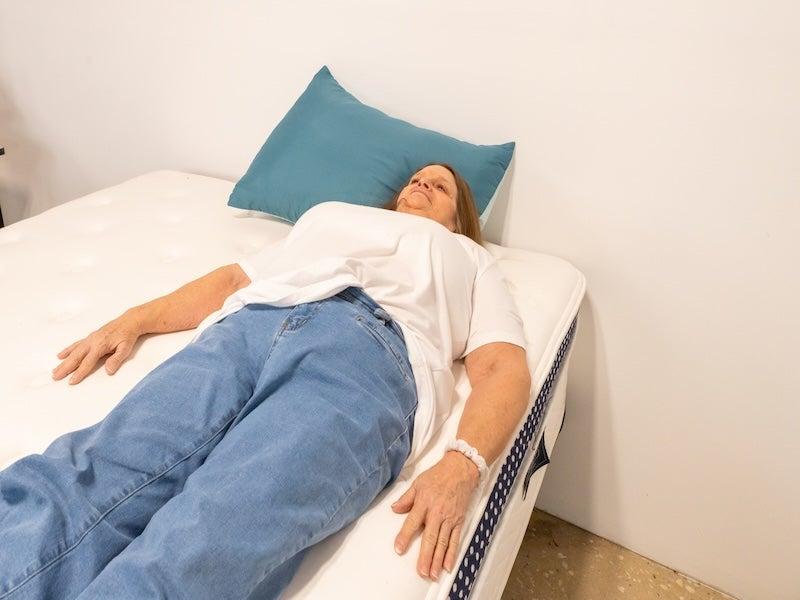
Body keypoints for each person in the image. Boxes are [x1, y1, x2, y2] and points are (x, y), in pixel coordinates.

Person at [0, 163, 532, 600]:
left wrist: (464, 462)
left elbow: (502, 366)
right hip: (247, 327)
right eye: (417, 178)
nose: (422, 185)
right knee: (89, 473)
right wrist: (134, 320)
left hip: (368, 357)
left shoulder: (470, 259)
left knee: (214, 527)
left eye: (440, 187)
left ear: (459, 220)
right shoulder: (335, 219)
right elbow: (235, 279)